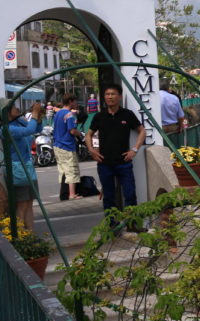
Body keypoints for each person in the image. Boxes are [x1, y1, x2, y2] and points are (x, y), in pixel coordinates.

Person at [86, 84, 146, 231]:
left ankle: (132, 224)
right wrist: (91, 150)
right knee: (108, 197)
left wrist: (134, 149)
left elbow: (142, 131)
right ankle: (112, 225)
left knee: (130, 195)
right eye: (107, 94)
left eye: (113, 94)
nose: (110, 97)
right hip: (105, 163)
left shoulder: (127, 114)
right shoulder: (99, 116)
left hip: (124, 163)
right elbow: (88, 134)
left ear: (119, 96)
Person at [0, 98, 43, 231]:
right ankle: (21, 236)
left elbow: (35, 128)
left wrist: (38, 117)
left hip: (27, 167)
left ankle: (30, 235)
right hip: (17, 171)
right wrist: (34, 114)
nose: (17, 108)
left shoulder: (19, 122)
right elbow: (28, 130)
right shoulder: (6, 129)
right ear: (6, 112)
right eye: (13, 106)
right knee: (21, 205)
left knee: (29, 203)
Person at [52, 92, 83, 200]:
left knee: (63, 170)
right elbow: (72, 131)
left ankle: (64, 194)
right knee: (72, 169)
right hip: (67, 145)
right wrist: (80, 133)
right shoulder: (69, 115)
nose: (76, 104)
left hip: (57, 145)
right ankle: (72, 194)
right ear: (70, 101)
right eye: (75, 101)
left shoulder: (58, 114)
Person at [159, 79, 188, 144]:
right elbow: (181, 117)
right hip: (173, 128)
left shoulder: (154, 97)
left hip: (159, 129)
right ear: (168, 87)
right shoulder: (174, 98)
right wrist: (181, 126)